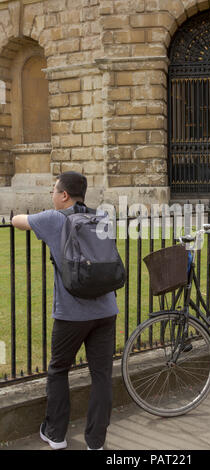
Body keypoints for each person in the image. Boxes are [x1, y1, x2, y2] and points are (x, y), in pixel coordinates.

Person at [12, 171, 119, 450]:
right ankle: (95, 442)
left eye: (53, 190)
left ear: (64, 195)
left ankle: (56, 435)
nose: (51, 194)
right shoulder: (103, 217)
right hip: (107, 309)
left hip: (72, 313)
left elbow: (15, 220)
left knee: (59, 369)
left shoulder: (54, 219)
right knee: (101, 376)